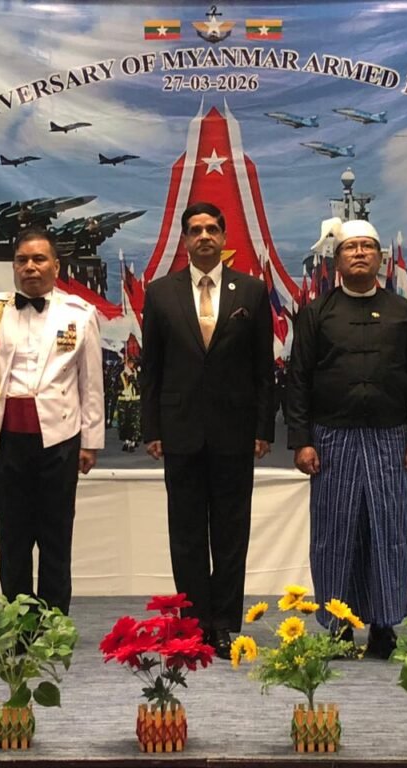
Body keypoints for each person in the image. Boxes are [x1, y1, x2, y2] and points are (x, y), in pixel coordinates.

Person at [287, 218, 407, 660]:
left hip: (390, 440)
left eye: (367, 248)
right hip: (331, 441)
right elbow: (298, 381)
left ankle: (384, 626)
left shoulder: (402, 313)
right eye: (350, 248)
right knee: (334, 534)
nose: (359, 254)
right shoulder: (317, 313)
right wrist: (302, 441)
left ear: (380, 259)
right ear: (337, 261)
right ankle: (338, 626)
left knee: (388, 532)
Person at [140, 201, 274, 658]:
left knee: (232, 532)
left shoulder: (252, 291)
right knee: (187, 533)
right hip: (179, 430)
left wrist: (263, 428)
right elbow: (151, 370)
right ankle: (194, 624)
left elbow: (263, 369)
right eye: (195, 230)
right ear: (184, 239)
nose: (203, 237)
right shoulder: (160, 293)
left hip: (235, 431)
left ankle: (224, 623)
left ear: (223, 237)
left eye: (211, 229)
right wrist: (152, 428)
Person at [0, 227, 104, 614]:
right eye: (22, 260)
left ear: (56, 266)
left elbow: (91, 383)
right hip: (7, 439)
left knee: (55, 537)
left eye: (39, 259)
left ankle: (54, 626)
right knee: (12, 538)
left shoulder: (79, 314)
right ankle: (17, 624)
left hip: (59, 439)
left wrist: (91, 442)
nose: (30, 266)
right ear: (13, 266)